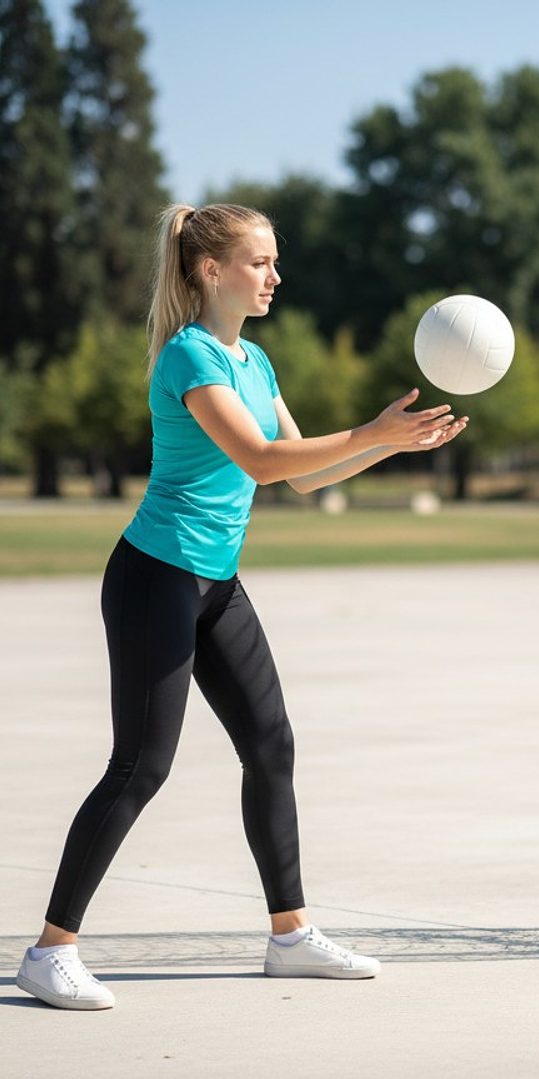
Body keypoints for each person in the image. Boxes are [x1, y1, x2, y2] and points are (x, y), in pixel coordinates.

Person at [15, 203, 467, 1010]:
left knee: (271, 744)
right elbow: (258, 459)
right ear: (209, 270)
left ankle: (289, 935)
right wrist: (369, 428)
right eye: (258, 262)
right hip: (156, 576)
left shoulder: (252, 361)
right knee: (140, 767)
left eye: (273, 261)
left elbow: (300, 477)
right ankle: (52, 950)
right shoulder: (190, 358)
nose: (274, 276)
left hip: (215, 582)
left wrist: (384, 445)